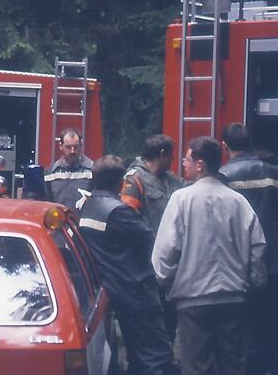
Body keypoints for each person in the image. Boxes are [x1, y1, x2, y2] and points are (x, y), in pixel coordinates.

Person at [152, 136, 266, 375]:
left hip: (193, 301)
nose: (183, 164)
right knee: (233, 365)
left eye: (187, 159)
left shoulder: (181, 200)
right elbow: (257, 245)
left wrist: (163, 281)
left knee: (196, 366)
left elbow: (165, 250)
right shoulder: (239, 201)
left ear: (200, 164)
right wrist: (254, 281)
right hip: (233, 299)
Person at [79, 155, 175, 375]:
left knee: (136, 353)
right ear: (121, 182)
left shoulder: (87, 206)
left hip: (114, 288)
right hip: (136, 291)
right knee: (155, 354)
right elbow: (150, 240)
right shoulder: (119, 211)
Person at [220, 122, 278, 375]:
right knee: (269, 319)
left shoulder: (223, 176)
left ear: (225, 146)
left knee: (240, 325)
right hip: (273, 258)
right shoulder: (272, 172)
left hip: (235, 263)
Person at [120, 134, 183, 344]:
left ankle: (166, 359)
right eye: (171, 156)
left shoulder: (172, 180)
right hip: (144, 265)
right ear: (162, 154)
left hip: (170, 264)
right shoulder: (134, 179)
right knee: (147, 321)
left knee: (169, 317)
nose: (173, 160)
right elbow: (128, 223)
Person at [45, 128, 93, 211]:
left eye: (76, 147)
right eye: (68, 147)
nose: (72, 151)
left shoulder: (93, 170)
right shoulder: (51, 173)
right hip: (59, 222)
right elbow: (46, 203)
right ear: (60, 146)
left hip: (84, 222)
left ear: (81, 146)